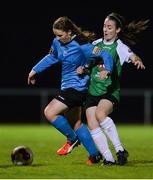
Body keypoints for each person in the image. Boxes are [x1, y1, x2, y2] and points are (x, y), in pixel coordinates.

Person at [27, 16, 114, 165]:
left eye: (60, 35)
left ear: (69, 32)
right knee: (76, 123)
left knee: (49, 112)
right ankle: (95, 155)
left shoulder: (82, 45)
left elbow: (105, 54)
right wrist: (34, 70)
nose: (57, 38)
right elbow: (51, 57)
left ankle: (72, 139)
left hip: (77, 88)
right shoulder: (57, 43)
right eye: (55, 35)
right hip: (67, 87)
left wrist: (107, 69)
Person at [77, 12, 148, 165]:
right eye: (104, 26)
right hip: (93, 92)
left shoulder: (119, 47)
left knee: (100, 113)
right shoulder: (96, 45)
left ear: (117, 30)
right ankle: (108, 158)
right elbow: (89, 63)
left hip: (110, 92)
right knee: (91, 122)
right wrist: (84, 69)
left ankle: (120, 150)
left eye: (109, 27)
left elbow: (133, 56)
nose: (106, 30)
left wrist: (137, 60)